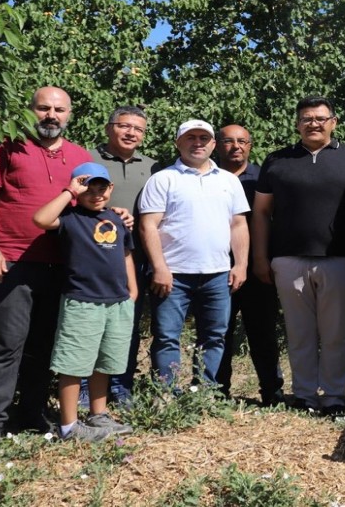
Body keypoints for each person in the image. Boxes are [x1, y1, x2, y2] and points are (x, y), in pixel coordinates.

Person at [0, 86, 92, 454]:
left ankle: (32, 412)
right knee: (6, 342)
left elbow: (90, 206)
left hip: (62, 264)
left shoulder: (80, 157)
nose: (51, 115)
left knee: (44, 343)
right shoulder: (4, 146)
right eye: (43, 108)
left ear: (69, 115)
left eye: (59, 109)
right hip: (12, 260)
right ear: (30, 110)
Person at [252, 97, 345, 415]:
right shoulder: (277, 160)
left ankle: (334, 396)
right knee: (298, 332)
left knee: (335, 333)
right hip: (288, 259)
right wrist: (260, 257)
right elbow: (261, 212)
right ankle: (304, 395)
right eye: (306, 118)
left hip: (340, 258)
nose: (313, 124)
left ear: (334, 122)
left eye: (320, 118)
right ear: (297, 124)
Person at [137, 120, 250, 386]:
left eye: (203, 138)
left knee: (214, 337)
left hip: (218, 274)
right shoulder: (163, 179)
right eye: (190, 138)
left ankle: (204, 392)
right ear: (178, 143)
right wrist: (159, 267)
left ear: (213, 144)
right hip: (173, 274)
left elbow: (238, 225)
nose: (197, 143)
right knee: (166, 337)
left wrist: (241, 264)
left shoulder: (228, 180)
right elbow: (148, 226)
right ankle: (167, 393)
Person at [32, 162, 137, 441]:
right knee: (74, 363)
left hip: (117, 302)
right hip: (83, 302)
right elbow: (40, 219)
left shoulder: (117, 219)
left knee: (104, 361)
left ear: (110, 188)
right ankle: (69, 426)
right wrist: (69, 192)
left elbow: (126, 253)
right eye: (88, 189)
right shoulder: (70, 218)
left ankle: (97, 414)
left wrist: (133, 290)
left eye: (101, 188)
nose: (96, 195)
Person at [90, 107, 159, 404]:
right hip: (94, 258)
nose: (131, 133)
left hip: (136, 258)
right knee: (91, 323)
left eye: (138, 129)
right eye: (124, 126)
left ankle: (121, 385)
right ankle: (86, 387)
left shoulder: (154, 167)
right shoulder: (86, 159)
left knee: (127, 323)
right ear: (109, 128)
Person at [213, 124, 285, 405]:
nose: (236, 147)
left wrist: (263, 260)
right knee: (217, 332)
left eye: (242, 141)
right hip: (215, 268)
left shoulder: (263, 179)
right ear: (217, 145)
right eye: (229, 141)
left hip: (259, 267)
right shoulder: (206, 176)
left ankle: (272, 392)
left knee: (263, 331)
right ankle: (216, 392)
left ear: (250, 146)